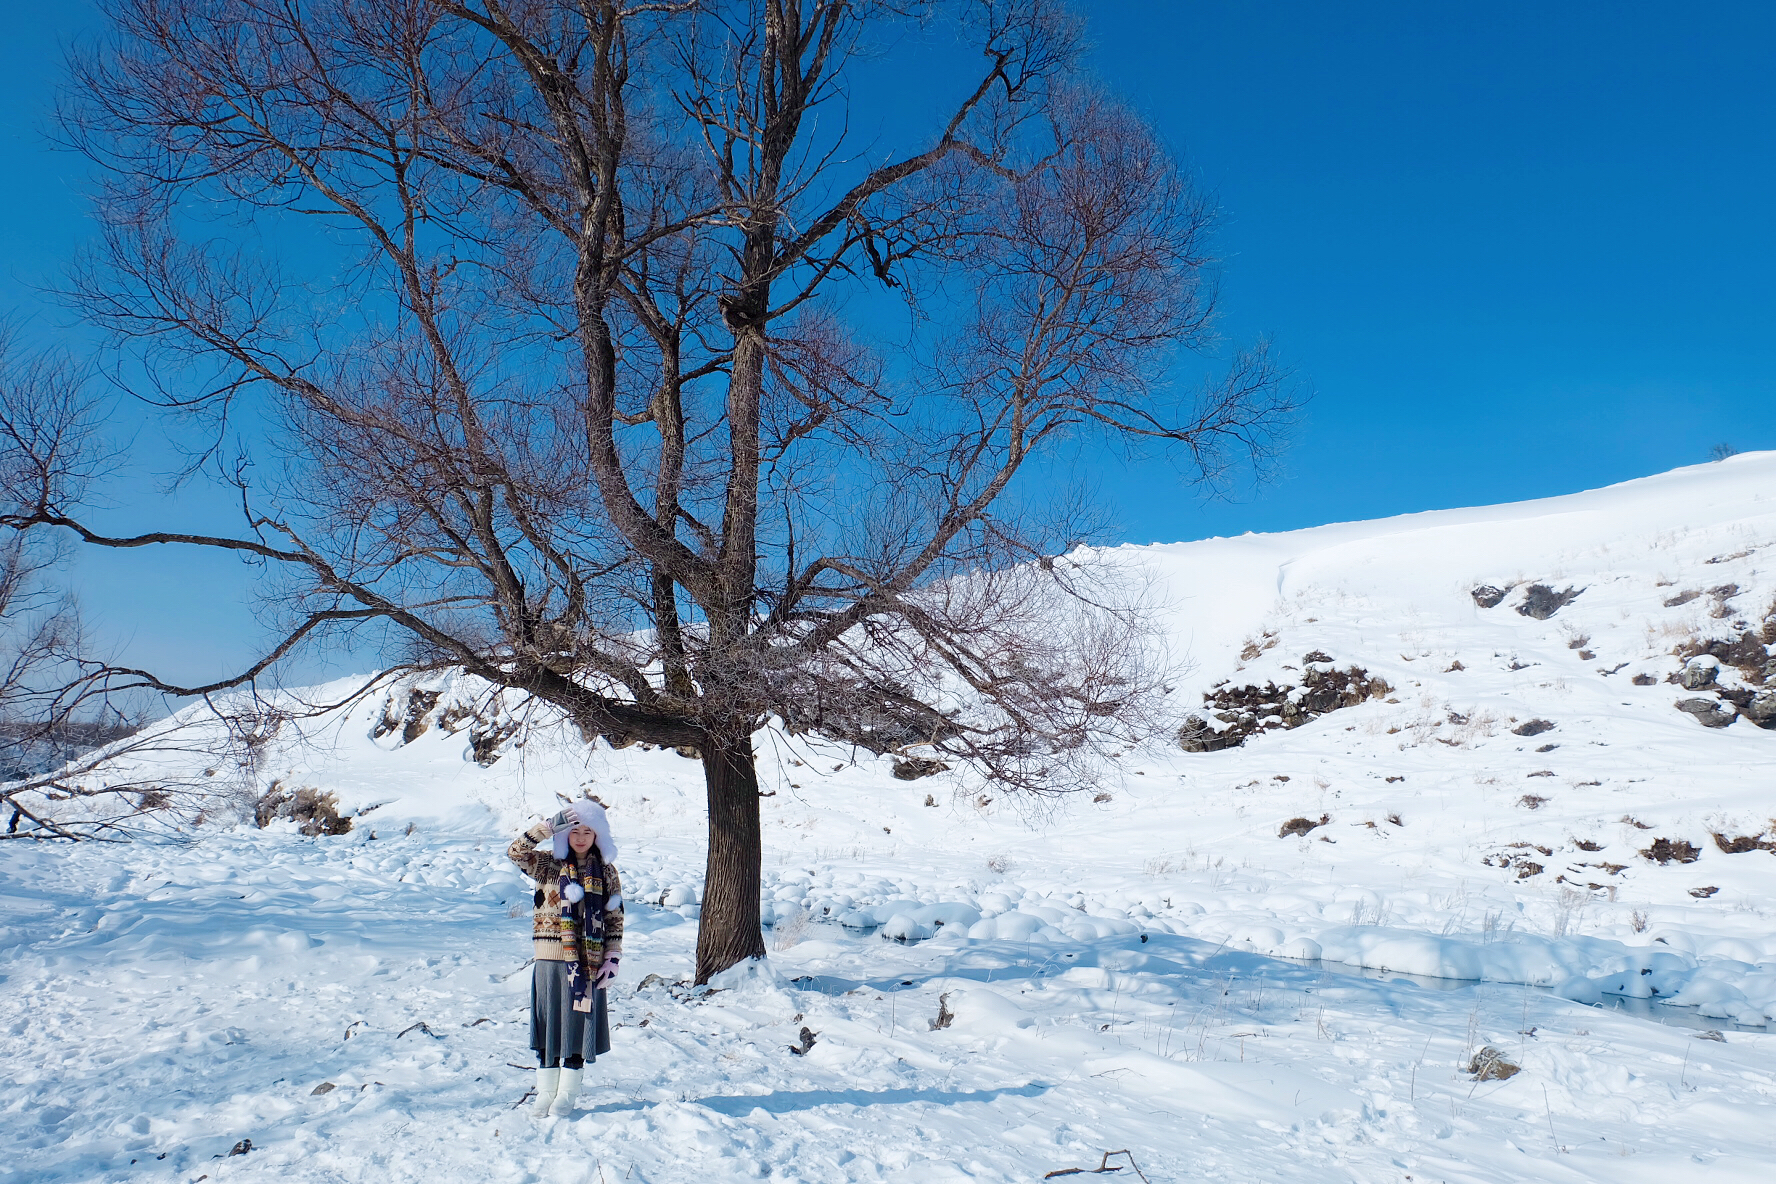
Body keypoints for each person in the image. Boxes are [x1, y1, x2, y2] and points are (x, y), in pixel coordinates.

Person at [506, 799, 624, 1117]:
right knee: (548, 1027)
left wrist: (612, 956)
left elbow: (614, 918)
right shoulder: (547, 865)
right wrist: (545, 827)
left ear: (598, 836)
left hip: (588, 964)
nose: (582, 837)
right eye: (575, 830)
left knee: (576, 1027)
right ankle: (546, 1092)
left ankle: (566, 1095)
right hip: (548, 961)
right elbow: (515, 852)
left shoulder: (607, 872)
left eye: (589, 831)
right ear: (565, 834)